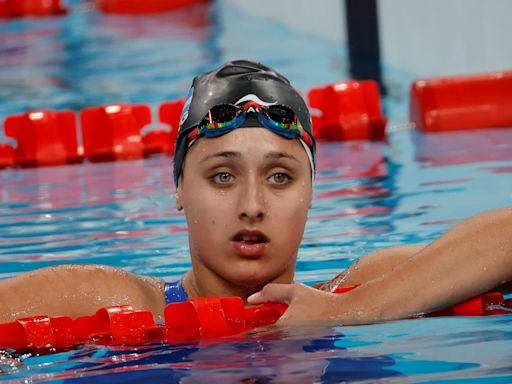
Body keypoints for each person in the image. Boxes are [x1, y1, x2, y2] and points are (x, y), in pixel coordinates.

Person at [0, 60, 511, 326]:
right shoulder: (124, 302)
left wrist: (351, 311)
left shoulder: (364, 291)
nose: (252, 205)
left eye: (280, 177)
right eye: (222, 176)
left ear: (313, 191)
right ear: (178, 188)